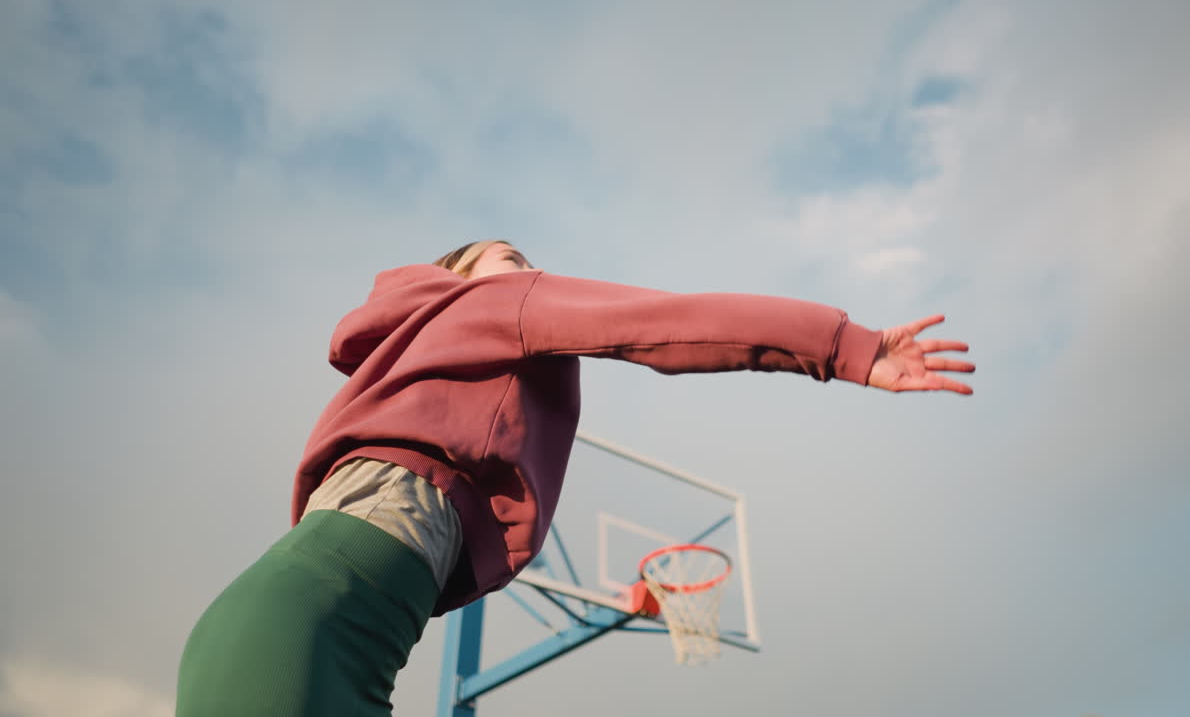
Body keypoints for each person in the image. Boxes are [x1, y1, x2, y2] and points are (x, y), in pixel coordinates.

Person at [175, 240, 974, 716]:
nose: (535, 271)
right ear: (464, 274)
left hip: (286, 618)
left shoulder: (413, 348)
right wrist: (847, 346)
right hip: (318, 626)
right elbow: (670, 323)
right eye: (515, 259)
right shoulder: (501, 302)